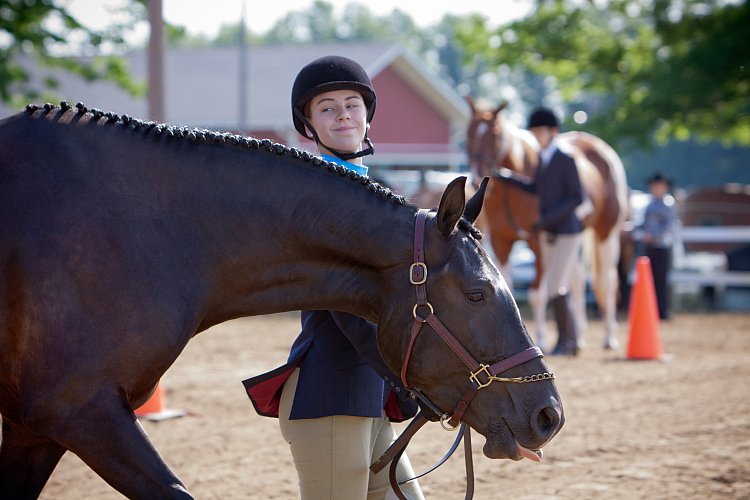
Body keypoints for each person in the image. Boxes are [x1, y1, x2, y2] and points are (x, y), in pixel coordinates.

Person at [242, 55, 424, 500]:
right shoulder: (317, 198)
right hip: (331, 395)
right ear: (309, 124)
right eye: (327, 107)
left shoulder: (374, 193)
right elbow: (349, 309)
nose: (343, 113)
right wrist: (410, 375)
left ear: (367, 116)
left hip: (373, 394)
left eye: (352, 103)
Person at [496, 106, 584, 356]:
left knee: (556, 285)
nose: (536, 136)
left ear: (553, 131)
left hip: (566, 231)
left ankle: (567, 341)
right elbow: (535, 188)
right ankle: (570, 340)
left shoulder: (564, 158)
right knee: (554, 284)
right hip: (547, 230)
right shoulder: (543, 159)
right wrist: (507, 177)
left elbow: (576, 197)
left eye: (540, 132)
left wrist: (546, 219)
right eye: (534, 132)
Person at [641, 171, 677, 320]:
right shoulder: (650, 204)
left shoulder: (667, 203)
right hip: (650, 246)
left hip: (662, 246)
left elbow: (669, 226)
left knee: (661, 279)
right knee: (650, 279)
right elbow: (644, 224)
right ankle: (652, 310)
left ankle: (663, 310)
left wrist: (653, 236)